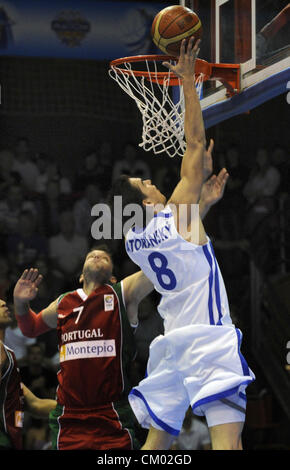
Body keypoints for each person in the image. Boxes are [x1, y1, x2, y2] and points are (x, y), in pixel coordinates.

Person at [109, 38, 255, 450]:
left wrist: (201, 205)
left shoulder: (134, 241)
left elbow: (179, 248)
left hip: (173, 346)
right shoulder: (175, 214)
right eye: (146, 184)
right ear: (146, 202)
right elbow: (193, 145)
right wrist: (189, 81)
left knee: (156, 445)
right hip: (209, 339)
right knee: (229, 443)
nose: (154, 182)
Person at [13, 245, 154, 450]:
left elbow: (158, 267)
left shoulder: (121, 294)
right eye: (91, 256)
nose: (97, 256)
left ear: (113, 278)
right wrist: (20, 303)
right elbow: (31, 328)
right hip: (69, 418)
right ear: (81, 276)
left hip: (111, 416)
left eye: (104, 258)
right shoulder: (63, 303)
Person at [0, 299, 56, 450]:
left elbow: (36, 405)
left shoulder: (9, 356)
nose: (3, 303)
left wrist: (79, 410)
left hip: (12, 442)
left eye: (3, 302)